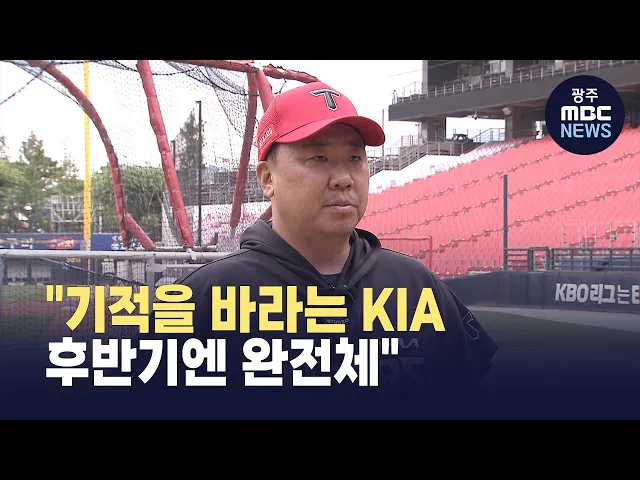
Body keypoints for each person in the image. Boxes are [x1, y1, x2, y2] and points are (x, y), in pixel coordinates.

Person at [175, 81, 498, 405]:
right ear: (268, 178)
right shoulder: (204, 297)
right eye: (319, 157)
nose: (343, 178)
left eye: (355, 158)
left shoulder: (415, 284)